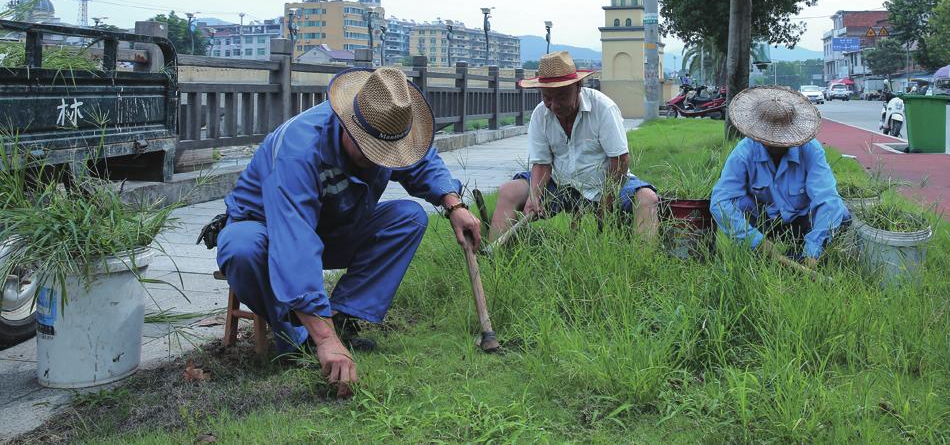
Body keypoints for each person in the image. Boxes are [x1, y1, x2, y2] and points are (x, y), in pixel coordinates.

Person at [210, 67, 482, 393]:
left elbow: (421, 163)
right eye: (374, 154)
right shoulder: (300, 150)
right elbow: (294, 242)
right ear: (347, 128)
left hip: (336, 225)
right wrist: (323, 339)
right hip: (267, 228)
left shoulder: (386, 125)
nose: (383, 161)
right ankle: (300, 339)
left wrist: (454, 205)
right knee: (243, 248)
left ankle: (339, 320)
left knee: (408, 218)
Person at [489, 51, 660, 240]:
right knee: (509, 191)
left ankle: (642, 264)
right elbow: (542, 164)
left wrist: (607, 200)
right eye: (547, 97)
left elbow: (620, 161)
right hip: (560, 183)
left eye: (561, 96)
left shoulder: (603, 108)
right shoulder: (540, 115)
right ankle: (494, 256)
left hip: (605, 183)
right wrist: (534, 195)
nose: (554, 105)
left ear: (578, 86)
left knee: (647, 199)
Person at [710, 87, 850, 268]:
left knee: (842, 213)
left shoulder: (811, 150)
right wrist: (755, 241)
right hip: (762, 223)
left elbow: (828, 199)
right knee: (739, 203)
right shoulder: (743, 152)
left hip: (800, 221)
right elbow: (721, 202)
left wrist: (813, 249)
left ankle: (805, 253)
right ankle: (758, 254)